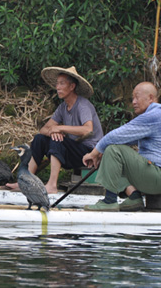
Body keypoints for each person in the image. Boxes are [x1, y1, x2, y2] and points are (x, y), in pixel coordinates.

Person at [82, 81, 161, 211]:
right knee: (111, 150)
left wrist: (94, 153)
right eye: (132, 98)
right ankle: (134, 197)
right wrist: (101, 153)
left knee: (113, 150)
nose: (133, 102)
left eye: (137, 97)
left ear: (150, 98)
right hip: (159, 175)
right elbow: (119, 140)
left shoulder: (154, 115)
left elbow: (114, 136)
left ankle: (109, 201)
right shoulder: (155, 115)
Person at [7, 66, 103, 194]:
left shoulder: (82, 105)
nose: (57, 87)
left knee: (57, 139)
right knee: (39, 139)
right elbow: (43, 130)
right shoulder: (63, 107)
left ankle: (52, 185)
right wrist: (54, 131)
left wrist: (59, 128)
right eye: (57, 84)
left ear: (72, 86)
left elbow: (87, 129)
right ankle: (25, 181)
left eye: (62, 83)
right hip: (73, 152)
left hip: (90, 153)